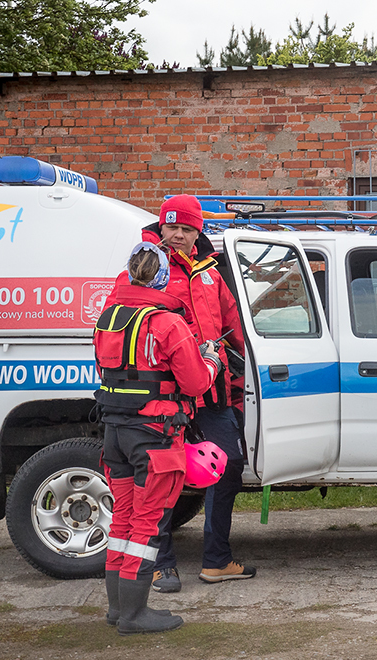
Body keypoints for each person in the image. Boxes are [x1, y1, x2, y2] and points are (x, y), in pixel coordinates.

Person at [122, 195, 255, 591]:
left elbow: (233, 322)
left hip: (211, 391)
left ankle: (216, 560)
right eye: (172, 227)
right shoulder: (145, 268)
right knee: (163, 477)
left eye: (187, 228)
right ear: (161, 228)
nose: (178, 235)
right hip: (165, 394)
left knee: (227, 465)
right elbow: (123, 318)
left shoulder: (210, 271)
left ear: (199, 232)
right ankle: (161, 564)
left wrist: (257, 361)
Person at [95, 243, 223, 634]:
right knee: (146, 527)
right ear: (164, 278)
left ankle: (118, 610)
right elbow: (196, 381)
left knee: (122, 522)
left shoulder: (108, 318)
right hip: (154, 440)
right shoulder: (168, 324)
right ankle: (135, 615)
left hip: (115, 433)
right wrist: (212, 358)